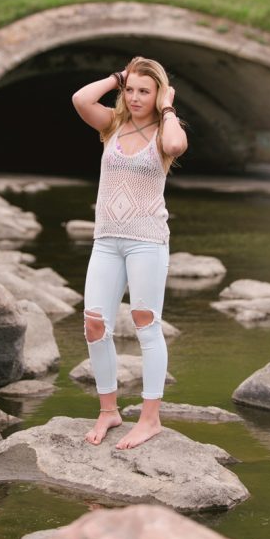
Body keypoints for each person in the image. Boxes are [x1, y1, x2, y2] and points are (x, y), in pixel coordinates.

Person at [71, 56, 188, 449]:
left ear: (158, 94)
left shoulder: (164, 130)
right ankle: (109, 411)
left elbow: (175, 144)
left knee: (145, 323)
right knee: (93, 323)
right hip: (106, 240)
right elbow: (80, 99)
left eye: (145, 91)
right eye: (131, 90)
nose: (136, 97)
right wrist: (116, 77)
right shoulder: (113, 124)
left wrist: (168, 107)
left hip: (147, 241)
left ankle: (150, 418)